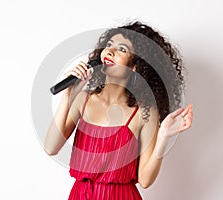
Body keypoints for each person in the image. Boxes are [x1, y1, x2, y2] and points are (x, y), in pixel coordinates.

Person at [44, 21, 193, 200]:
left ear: (135, 67)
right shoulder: (82, 100)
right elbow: (51, 147)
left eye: (122, 49)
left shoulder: (144, 112)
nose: (110, 51)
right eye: (109, 45)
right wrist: (67, 96)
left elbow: (145, 180)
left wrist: (163, 137)